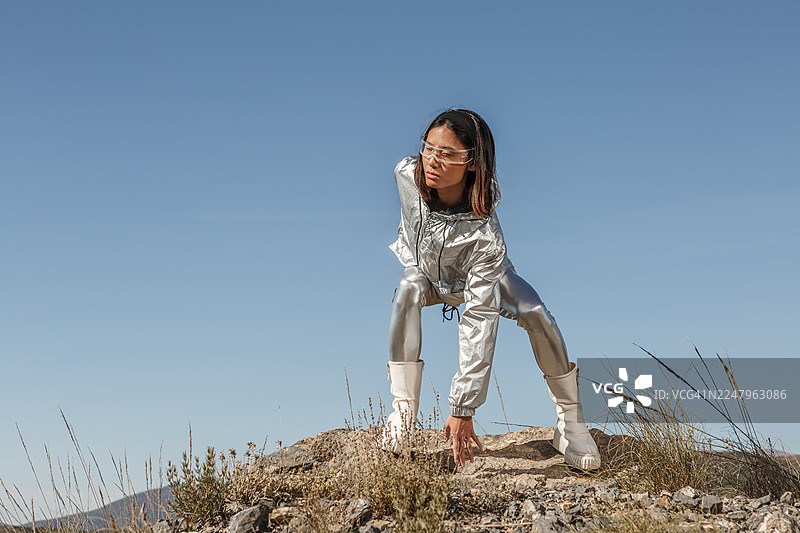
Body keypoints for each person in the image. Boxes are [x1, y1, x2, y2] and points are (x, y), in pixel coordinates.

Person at [383, 108, 601, 470]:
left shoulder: (486, 236)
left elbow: (479, 318)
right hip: (429, 276)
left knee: (536, 314)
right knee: (408, 287)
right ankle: (403, 414)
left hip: (482, 277)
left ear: (472, 162)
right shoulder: (405, 174)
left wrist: (463, 407)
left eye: (448, 153)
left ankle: (571, 423)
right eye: (428, 147)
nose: (433, 160)